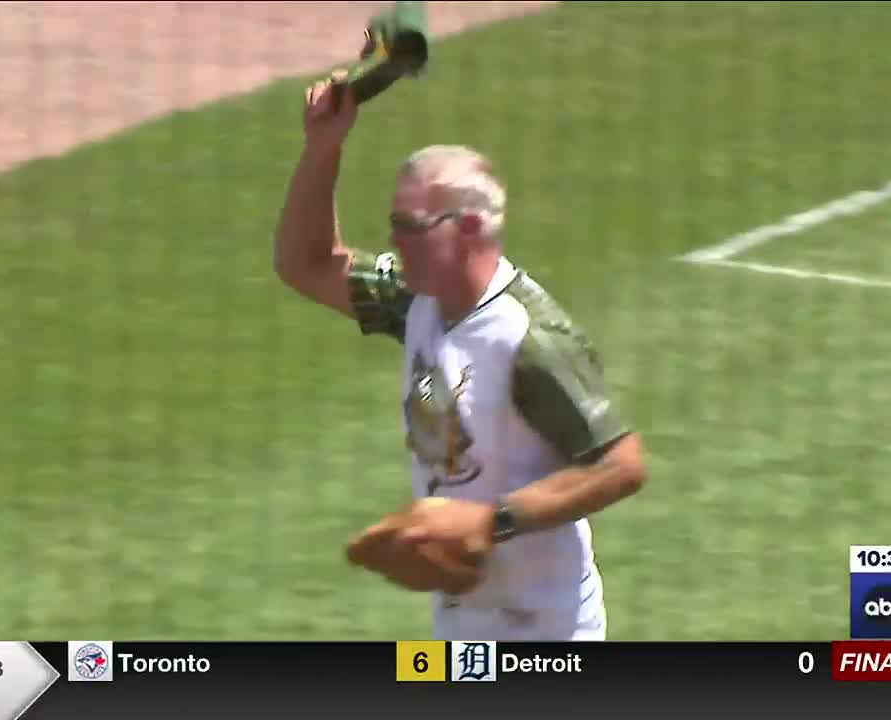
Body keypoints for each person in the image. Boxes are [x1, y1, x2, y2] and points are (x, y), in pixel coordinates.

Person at [273, 71, 649, 642]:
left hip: (543, 633)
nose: (395, 239)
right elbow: (305, 263)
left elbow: (622, 465)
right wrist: (324, 146)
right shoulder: (417, 301)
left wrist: (488, 521)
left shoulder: (529, 337)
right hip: (463, 630)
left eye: (410, 226)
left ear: (469, 229)